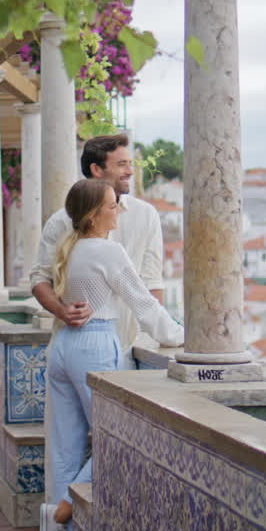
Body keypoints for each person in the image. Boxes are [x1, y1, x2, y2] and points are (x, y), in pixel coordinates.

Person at [38, 178, 183, 531]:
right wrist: (180, 337)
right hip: (96, 345)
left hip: (63, 347)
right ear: (93, 215)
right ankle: (61, 515)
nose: (118, 210)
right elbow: (145, 305)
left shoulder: (70, 249)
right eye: (111, 205)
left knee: (67, 447)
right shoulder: (109, 251)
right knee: (114, 439)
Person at [30, 133, 165, 367]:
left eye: (130, 164)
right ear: (96, 169)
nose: (130, 171)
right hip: (72, 345)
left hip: (127, 348)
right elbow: (40, 278)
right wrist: (62, 311)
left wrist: (154, 337)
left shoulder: (146, 215)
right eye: (121, 164)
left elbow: (152, 282)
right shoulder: (60, 221)